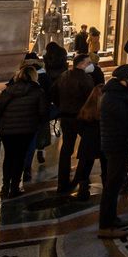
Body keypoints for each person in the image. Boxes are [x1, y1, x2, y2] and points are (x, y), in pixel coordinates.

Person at [98, 65, 128, 238]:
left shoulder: (120, 93)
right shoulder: (111, 96)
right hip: (115, 145)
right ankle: (105, 226)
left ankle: (112, 218)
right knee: (112, 186)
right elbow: (126, 115)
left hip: (121, 143)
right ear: (125, 79)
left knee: (116, 183)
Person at [0, 63, 50, 198]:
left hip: (6, 130)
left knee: (9, 157)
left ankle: (5, 185)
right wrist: (35, 123)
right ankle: (15, 187)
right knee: (20, 157)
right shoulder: (38, 92)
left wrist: (0, 124)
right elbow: (43, 113)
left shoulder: (8, 90)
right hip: (27, 130)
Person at [50, 53, 98, 197]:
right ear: (80, 64)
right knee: (86, 148)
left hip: (65, 116)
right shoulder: (85, 78)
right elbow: (91, 97)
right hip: (81, 117)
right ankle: (80, 179)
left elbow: (52, 93)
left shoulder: (63, 75)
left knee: (66, 149)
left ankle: (62, 182)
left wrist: (61, 106)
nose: (90, 65)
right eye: (88, 62)